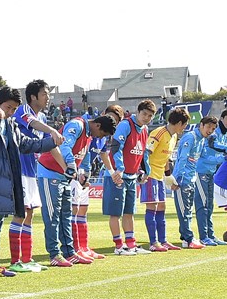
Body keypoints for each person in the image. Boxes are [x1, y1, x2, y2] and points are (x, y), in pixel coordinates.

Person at [0, 86, 58, 279]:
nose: (11, 112)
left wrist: (52, 142)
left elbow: (27, 144)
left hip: (2, 185)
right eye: (8, 108)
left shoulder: (12, 126)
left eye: (14, 109)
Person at [37, 110, 116, 268]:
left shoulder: (88, 134)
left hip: (65, 176)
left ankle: (69, 252)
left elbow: (85, 155)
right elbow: (65, 144)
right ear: (97, 125)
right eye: (101, 134)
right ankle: (54, 254)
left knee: (66, 215)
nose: (99, 138)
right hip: (49, 172)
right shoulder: (77, 125)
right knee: (52, 215)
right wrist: (71, 164)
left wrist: (85, 172)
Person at [10, 80, 65, 271]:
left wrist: (65, 168)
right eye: (44, 94)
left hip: (31, 170)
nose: (48, 97)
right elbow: (32, 123)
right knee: (20, 213)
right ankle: (16, 261)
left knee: (30, 213)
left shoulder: (41, 116)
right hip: (19, 168)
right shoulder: (23, 110)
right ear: (33, 96)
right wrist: (52, 131)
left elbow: (49, 145)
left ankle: (26, 258)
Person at [102, 100, 156, 255]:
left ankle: (131, 244)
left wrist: (146, 171)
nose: (146, 118)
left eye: (150, 116)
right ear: (137, 112)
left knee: (129, 212)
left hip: (132, 177)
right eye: (144, 114)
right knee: (115, 213)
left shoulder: (145, 129)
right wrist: (119, 168)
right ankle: (119, 246)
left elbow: (143, 152)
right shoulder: (126, 125)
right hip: (117, 177)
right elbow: (116, 146)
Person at [141, 107, 190, 252]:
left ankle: (163, 241)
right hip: (150, 175)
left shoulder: (174, 136)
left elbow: (166, 158)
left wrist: (168, 176)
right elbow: (146, 153)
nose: (185, 127)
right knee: (152, 207)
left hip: (160, 176)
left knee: (162, 207)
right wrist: (146, 172)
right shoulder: (158, 133)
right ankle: (153, 242)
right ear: (180, 123)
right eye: (185, 124)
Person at [192, 108, 227, 247]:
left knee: (210, 205)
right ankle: (203, 236)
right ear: (222, 118)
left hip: (211, 172)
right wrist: (223, 157)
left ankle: (210, 235)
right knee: (202, 205)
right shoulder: (212, 134)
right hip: (200, 171)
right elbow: (205, 156)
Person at [171, 115, 215, 248]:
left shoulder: (202, 140)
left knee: (188, 210)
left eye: (213, 129)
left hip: (191, 178)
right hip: (182, 179)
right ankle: (188, 239)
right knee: (184, 210)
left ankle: (187, 238)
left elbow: (197, 160)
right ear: (201, 125)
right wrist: (177, 179)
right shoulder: (190, 137)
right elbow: (182, 159)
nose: (210, 131)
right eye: (208, 127)